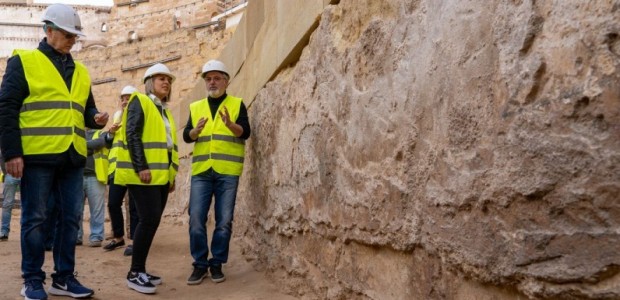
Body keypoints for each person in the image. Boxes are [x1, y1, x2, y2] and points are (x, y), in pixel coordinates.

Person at [0, 4, 106, 299]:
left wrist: (96, 118)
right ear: (48, 31)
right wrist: (11, 153)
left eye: (75, 34)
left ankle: (63, 277)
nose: (73, 39)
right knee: (35, 219)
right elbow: (6, 108)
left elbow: (85, 111)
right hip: (37, 156)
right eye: (68, 33)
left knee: (71, 218)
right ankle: (32, 279)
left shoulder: (81, 71)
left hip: (72, 156)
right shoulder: (24, 61)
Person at [184, 60, 251, 285]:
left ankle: (216, 263)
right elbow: (186, 136)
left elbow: (245, 132)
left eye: (216, 78)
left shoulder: (237, 104)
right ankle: (200, 264)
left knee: (224, 221)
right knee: (195, 219)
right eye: (208, 79)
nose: (212, 82)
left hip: (227, 172)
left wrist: (230, 124)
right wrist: (195, 131)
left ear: (226, 80)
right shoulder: (196, 107)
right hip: (202, 171)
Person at [115, 63, 179, 294]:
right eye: (161, 78)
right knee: (148, 219)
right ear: (149, 82)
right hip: (143, 174)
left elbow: (170, 147)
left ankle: (140, 269)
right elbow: (132, 134)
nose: (166, 83)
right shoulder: (139, 102)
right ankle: (134, 273)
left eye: (169, 80)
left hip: (160, 176)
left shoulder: (164, 111)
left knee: (152, 221)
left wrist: (171, 176)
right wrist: (141, 166)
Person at [104, 85, 139, 256]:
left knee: (133, 207)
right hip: (117, 168)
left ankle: (134, 241)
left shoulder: (139, 115)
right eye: (123, 98)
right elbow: (111, 143)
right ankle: (118, 237)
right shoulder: (117, 116)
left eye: (128, 98)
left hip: (133, 168)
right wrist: (110, 133)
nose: (125, 101)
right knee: (113, 203)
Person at [77, 126, 119, 247]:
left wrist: (81, 145)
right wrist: (91, 146)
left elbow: (100, 142)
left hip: (96, 176)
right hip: (77, 176)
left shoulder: (101, 134)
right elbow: (94, 145)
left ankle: (96, 236)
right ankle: (76, 236)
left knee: (97, 209)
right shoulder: (76, 132)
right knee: (76, 210)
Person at [0, 151, 20, 241]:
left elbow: (2, 156)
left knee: (7, 204)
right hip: (12, 175)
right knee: (8, 204)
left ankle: (4, 231)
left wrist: (6, 173)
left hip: (11, 175)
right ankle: (4, 231)